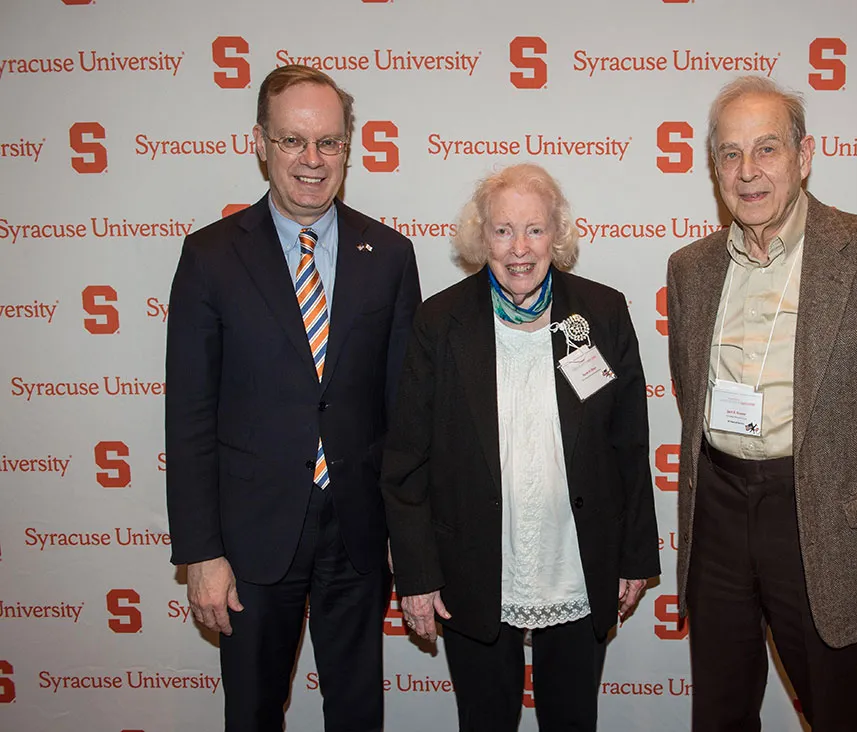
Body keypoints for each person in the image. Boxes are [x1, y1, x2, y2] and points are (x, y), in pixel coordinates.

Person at [666, 76, 857, 731]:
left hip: (818, 515)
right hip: (719, 512)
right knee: (721, 710)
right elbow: (691, 389)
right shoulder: (691, 268)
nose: (748, 171)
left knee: (834, 708)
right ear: (714, 168)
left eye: (767, 149)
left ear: (804, 157)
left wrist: (853, 497)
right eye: (730, 154)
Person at [165, 64, 421, 732]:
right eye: (292, 141)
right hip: (249, 538)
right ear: (259, 143)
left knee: (359, 710)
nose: (312, 160)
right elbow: (189, 414)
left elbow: (405, 411)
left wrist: (410, 534)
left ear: (348, 147)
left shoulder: (390, 254)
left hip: (361, 534)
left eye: (329, 142)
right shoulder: (210, 257)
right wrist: (202, 553)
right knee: (251, 711)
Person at [381, 163, 660, 732]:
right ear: (480, 235)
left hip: (577, 565)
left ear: (557, 234)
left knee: (573, 721)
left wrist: (634, 555)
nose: (519, 249)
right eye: (503, 230)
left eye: (534, 230)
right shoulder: (439, 321)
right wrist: (415, 574)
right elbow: (406, 461)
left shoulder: (601, 313)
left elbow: (629, 446)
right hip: (474, 569)